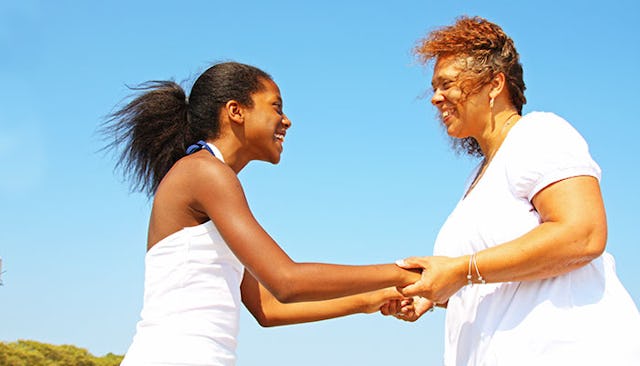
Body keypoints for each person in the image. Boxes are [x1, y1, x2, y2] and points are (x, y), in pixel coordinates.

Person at [102, 61, 420, 366]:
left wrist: (371, 299)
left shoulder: (207, 175)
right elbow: (286, 280)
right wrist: (401, 272)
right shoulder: (205, 172)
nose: (287, 120)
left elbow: (268, 307)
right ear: (236, 111)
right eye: (276, 107)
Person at [382, 16, 640, 365]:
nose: (435, 98)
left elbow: (583, 234)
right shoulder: (478, 178)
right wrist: (438, 294)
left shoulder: (540, 134)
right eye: (433, 87)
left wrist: (461, 271)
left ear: (494, 84)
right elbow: (500, 276)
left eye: (446, 84)